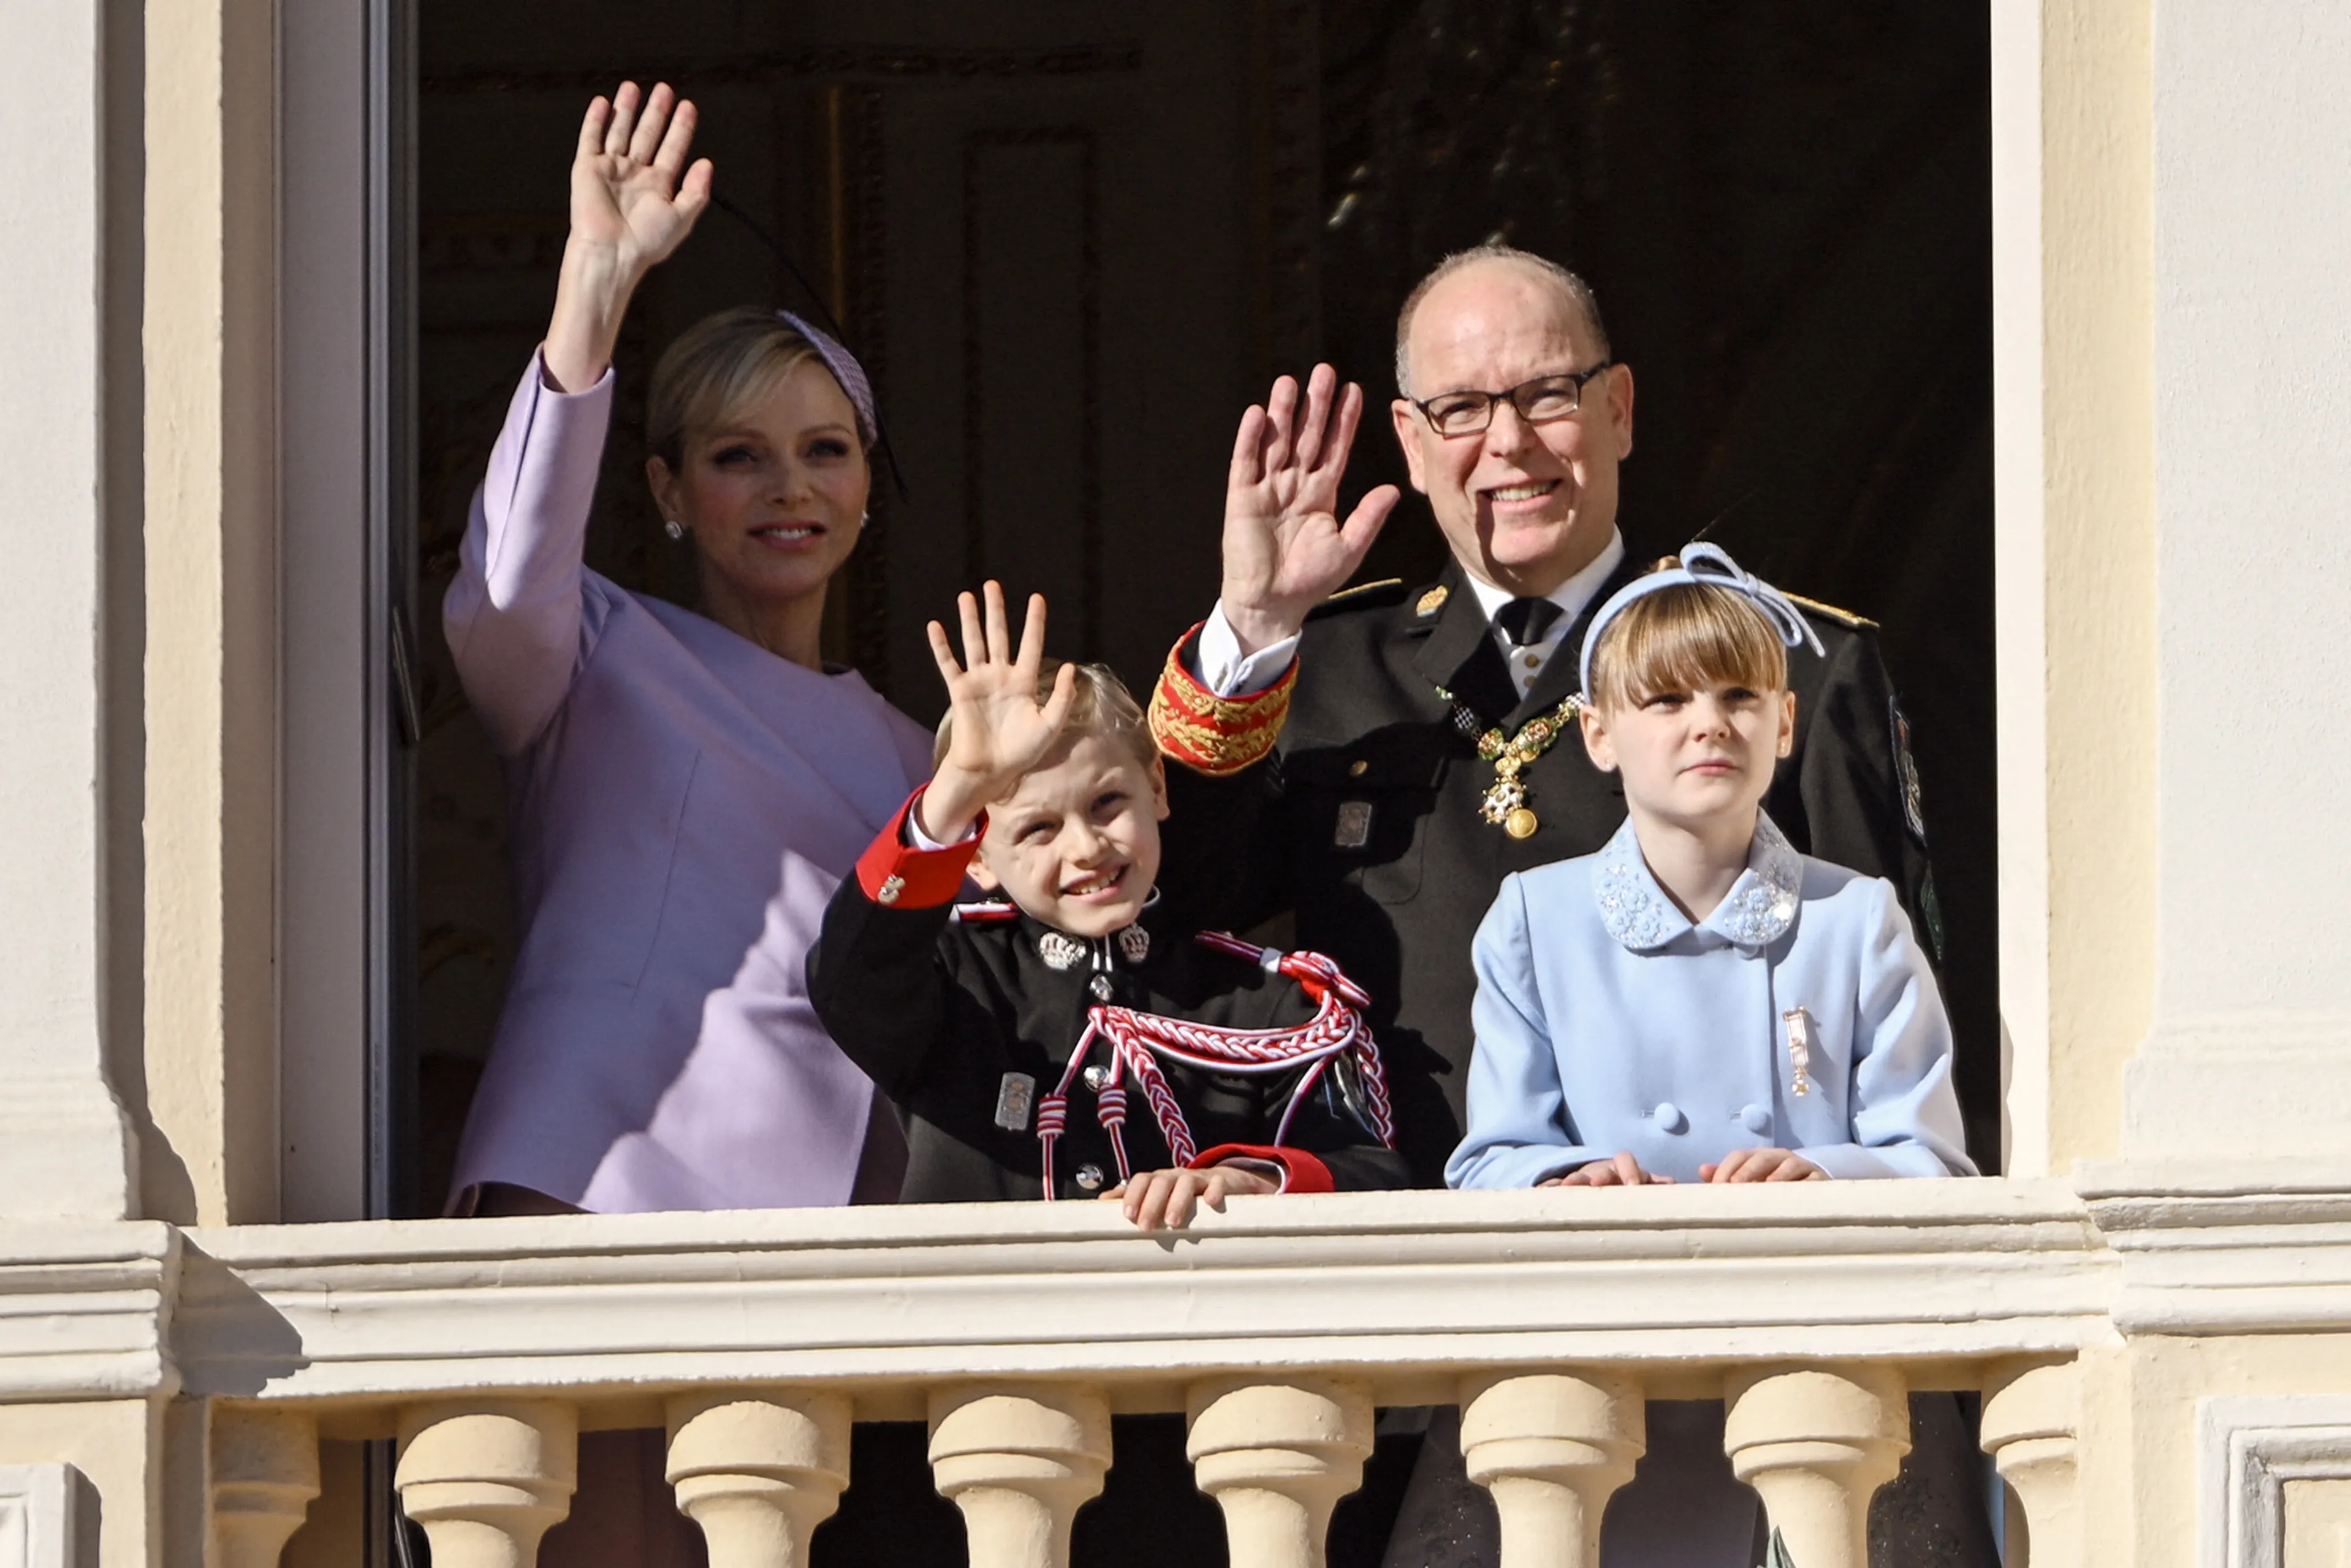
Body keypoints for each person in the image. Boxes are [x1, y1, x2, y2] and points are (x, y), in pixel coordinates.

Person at [1144, 244, 1988, 1567]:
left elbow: (1906, 1004)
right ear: (1414, 443)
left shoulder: (1793, 661)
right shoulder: (1319, 662)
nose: (1510, 445)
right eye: (1463, 411)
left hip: (1742, 1337)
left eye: (1546, 394)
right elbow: (1171, 928)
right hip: (1406, 1334)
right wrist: (1252, 620)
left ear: (1621, 410)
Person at [444, 81, 929, 1221]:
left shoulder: (928, 756)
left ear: (865, 487)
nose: (789, 486)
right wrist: (595, 286)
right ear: (668, 487)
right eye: (738, 455)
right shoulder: (591, 651)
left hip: (831, 1214)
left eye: (824, 449)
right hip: (601, 1167)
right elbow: (507, 585)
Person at [808, 583, 1408, 1225]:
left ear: (1156, 788)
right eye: (1039, 829)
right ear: (977, 856)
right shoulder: (955, 979)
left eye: (1107, 804)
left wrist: (1251, 1177)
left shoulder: (1264, 999)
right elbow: (848, 981)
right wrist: (952, 796)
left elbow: (1375, 1172)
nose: (1087, 847)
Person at [1446, 543, 1974, 1195]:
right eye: (1667, 699)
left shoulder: (1857, 921)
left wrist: (1825, 1174)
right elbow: (1493, 1156)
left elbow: (1932, 1160)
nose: (1710, 725)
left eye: (1739, 695)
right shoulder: (1536, 920)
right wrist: (1566, 1181)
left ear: (1784, 723)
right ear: (1598, 733)